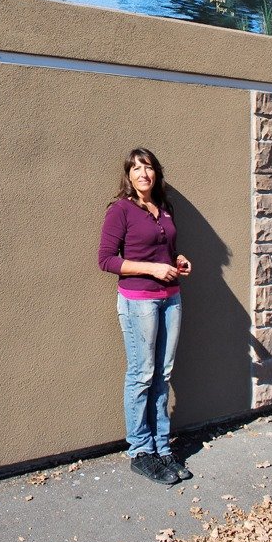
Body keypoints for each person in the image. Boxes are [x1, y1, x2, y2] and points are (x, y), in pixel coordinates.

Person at [98, 147, 192, 485]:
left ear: (156, 172)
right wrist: (152, 268)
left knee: (162, 375)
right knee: (142, 374)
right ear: (128, 175)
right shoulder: (120, 210)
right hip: (139, 302)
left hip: (170, 299)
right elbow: (106, 259)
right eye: (136, 168)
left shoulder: (164, 208)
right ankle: (140, 450)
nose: (142, 174)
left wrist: (177, 259)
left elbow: (164, 250)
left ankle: (162, 447)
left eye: (147, 167)